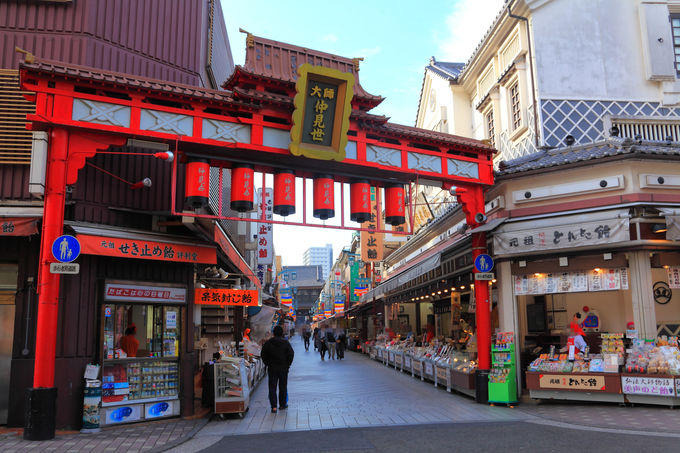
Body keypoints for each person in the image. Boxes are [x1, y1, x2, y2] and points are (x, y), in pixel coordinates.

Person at [260, 325, 294, 413]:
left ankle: (274, 407)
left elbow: (263, 355)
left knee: (272, 387)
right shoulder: (286, 343)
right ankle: (282, 405)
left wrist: (268, 363)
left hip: (272, 368)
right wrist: (287, 364)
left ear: (273, 333)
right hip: (283, 368)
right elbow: (291, 354)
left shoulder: (268, 343)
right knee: (283, 386)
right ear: (282, 333)